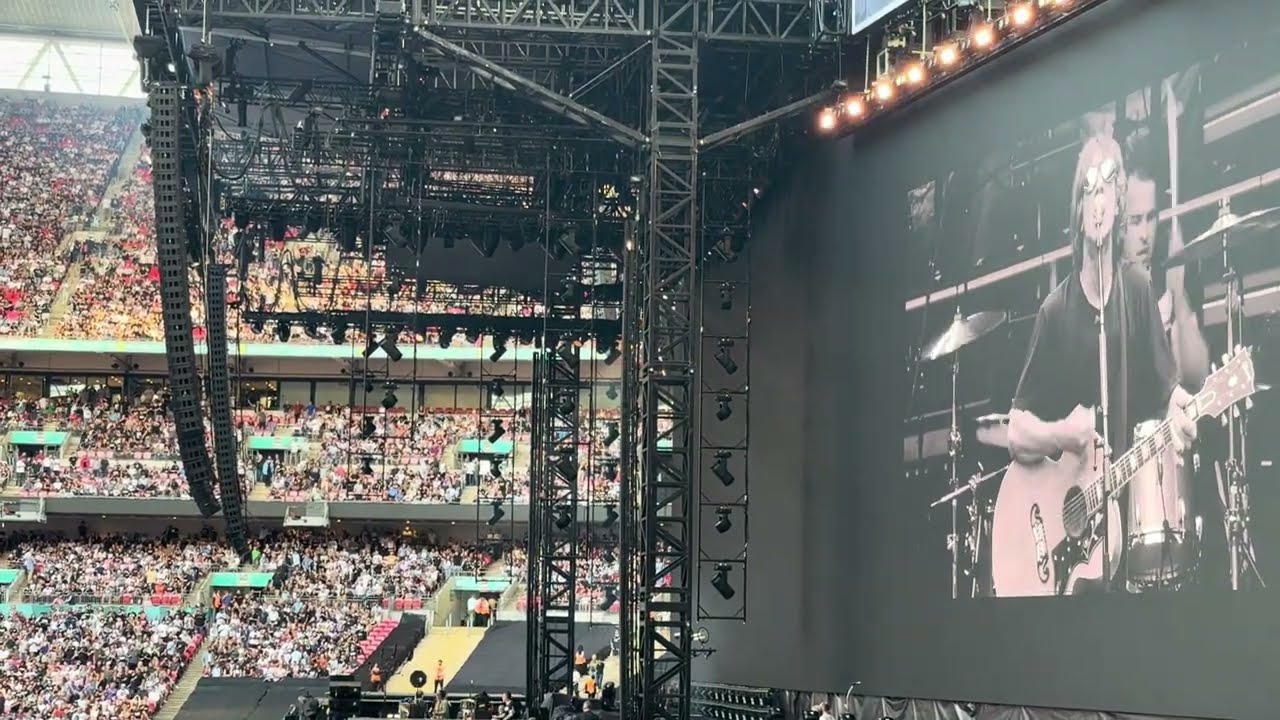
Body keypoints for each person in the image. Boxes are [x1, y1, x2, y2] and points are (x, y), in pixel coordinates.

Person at [1007, 134, 1197, 593]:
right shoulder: (1055, 311)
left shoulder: (1137, 291)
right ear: (1078, 209)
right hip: (1070, 533)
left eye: (1108, 189)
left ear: (1117, 206)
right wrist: (1063, 433)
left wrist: (1185, 408)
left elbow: (1168, 389)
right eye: (1089, 191)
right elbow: (1015, 431)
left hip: (1129, 525)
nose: (1098, 203)